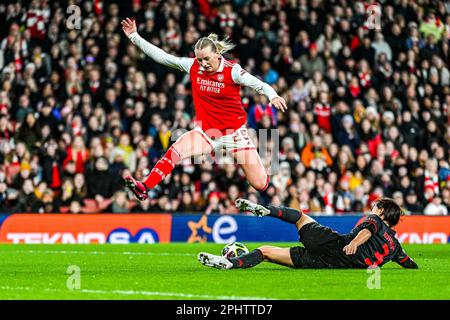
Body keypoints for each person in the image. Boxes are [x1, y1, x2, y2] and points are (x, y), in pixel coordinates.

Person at [120, 18, 287, 200]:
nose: (203, 63)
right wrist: (134, 37)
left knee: (260, 184)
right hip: (206, 133)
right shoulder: (193, 66)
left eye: (206, 59)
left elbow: (260, 85)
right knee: (176, 149)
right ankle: (145, 186)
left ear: (217, 54)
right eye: (199, 59)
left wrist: (273, 96)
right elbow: (163, 57)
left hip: (234, 134)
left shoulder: (233, 71)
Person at [198, 197, 418, 270]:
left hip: (334, 244)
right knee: (266, 252)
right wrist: (415, 267)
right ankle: (230, 264)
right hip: (331, 264)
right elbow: (407, 262)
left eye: (375, 206)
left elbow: (368, 231)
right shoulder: (395, 245)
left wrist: (355, 243)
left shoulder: (374, 220)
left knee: (300, 216)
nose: (372, 208)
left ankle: (267, 210)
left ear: (381, 211)